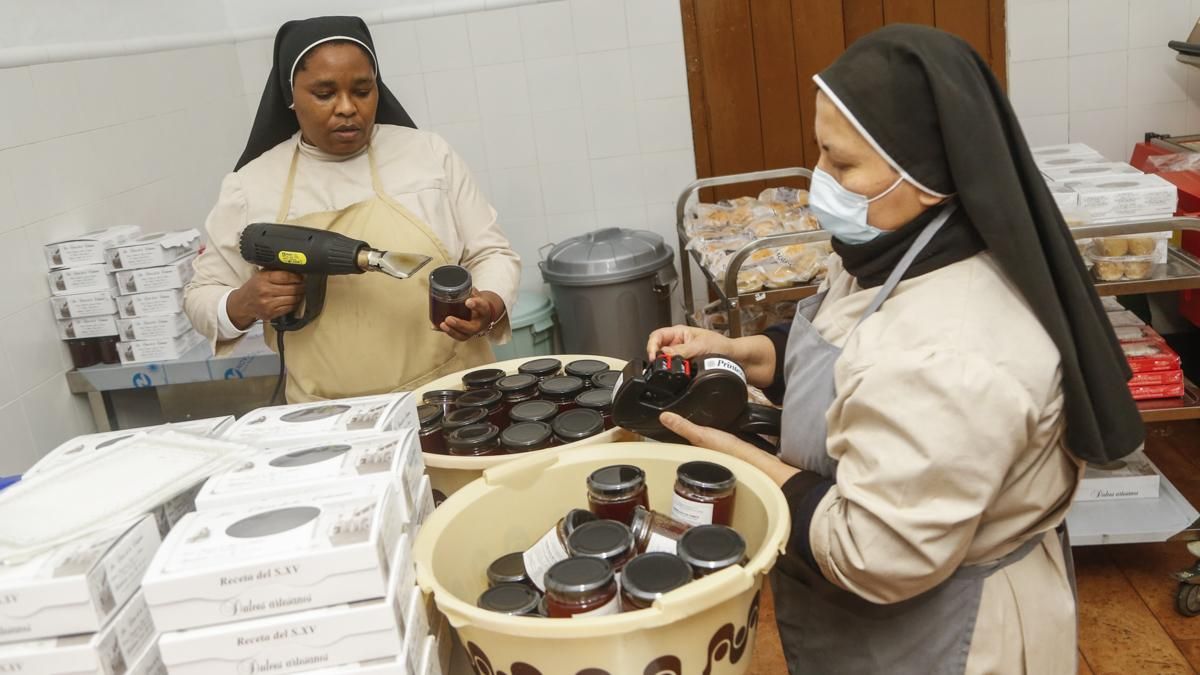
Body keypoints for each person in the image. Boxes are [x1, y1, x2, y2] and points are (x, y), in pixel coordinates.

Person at [647, 25, 1143, 674]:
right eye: (821, 153)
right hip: (866, 623)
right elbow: (839, 338)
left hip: (951, 632)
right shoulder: (899, 242)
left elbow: (874, 550)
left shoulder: (957, 349)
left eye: (843, 163)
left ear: (929, 174)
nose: (820, 180)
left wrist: (748, 467)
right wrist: (743, 352)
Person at [184, 16, 519, 403]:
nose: (347, 108)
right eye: (324, 93)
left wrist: (489, 304)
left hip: (451, 396)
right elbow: (201, 296)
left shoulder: (427, 155)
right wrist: (241, 303)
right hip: (329, 418)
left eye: (362, 90)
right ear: (290, 95)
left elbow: (491, 252)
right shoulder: (252, 185)